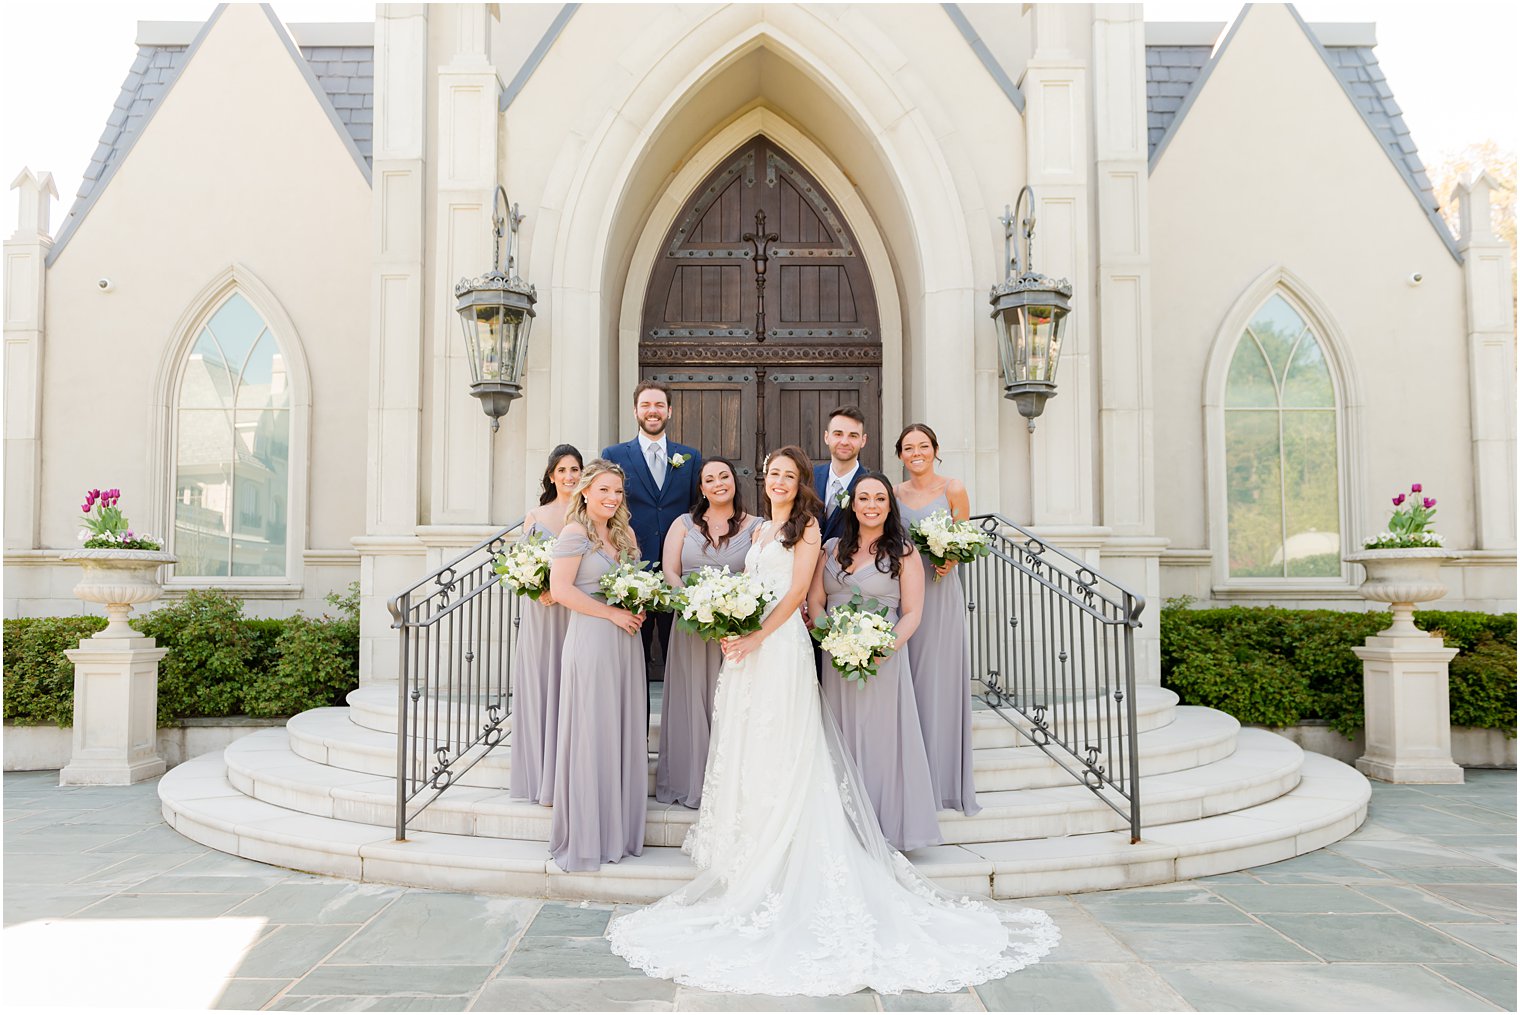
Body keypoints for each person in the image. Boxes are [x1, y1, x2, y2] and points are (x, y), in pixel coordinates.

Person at [606, 446, 1057, 996]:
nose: (778, 482)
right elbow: (755, 585)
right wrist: (732, 618)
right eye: (771, 473)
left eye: (788, 476)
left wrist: (752, 635)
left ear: (800, 485)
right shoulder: (759, 531)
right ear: (763, 478)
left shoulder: (807, 530)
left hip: (778, 646)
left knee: (786, 738)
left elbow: (798, 593)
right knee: (751, 740)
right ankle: (752, 837)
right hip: (747, 649)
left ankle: (788, 844)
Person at [810, 471, 943, 852]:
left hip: (881, 659)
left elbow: (913, 612)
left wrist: (883, 648)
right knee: (838, 737)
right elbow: (816, 601)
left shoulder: (903, 551)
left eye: (880, 499)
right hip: (835, 657)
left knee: (880, 739)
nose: (871, 505)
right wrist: (830, 636)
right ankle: (843, 827)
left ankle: (883, 827)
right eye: (864, 498)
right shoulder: (832, 547)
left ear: (889, 506)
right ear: (852, 504)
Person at [547, 460, 648, 872]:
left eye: (618, 492)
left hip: (626, 641)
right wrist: (610, 614)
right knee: (592, 731)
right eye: (604, 490)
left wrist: (638, 603)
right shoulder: (574, 534)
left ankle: (617, 830)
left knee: (620, 729)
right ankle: (589, 833)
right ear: (585, 492)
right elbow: (560, 590)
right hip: (591, 639)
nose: (611, 498)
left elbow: (639, 580)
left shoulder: (625, 536)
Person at [655, 457, 760, 808]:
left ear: (735, 481)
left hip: (734, 631)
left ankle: (730, 787)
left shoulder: (757, 526)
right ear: (701, 488)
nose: (718, 483)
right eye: (709, 479)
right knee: (692, 701)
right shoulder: (683, 524)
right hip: (691, 628)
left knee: (731, 704)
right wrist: (694, 604)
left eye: (724, 476)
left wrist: (728, 611)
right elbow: (670, 570)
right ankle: (690, 779)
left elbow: (758, 575)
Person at [895, 423, 980, 816]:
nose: (917, 453)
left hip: (942, 594)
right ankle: (913, 773)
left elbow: (965, 541)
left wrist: (951, 556)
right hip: (907, 595)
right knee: (910, 681)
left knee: (940, 683)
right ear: (900, 455)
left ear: (935, 450)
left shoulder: (953, 489)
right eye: (909, 447)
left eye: (923, 446)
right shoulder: (894, 495)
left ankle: (944, 781)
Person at [601, 381, 703, 684]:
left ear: (669, 411)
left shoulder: (690, 457)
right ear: (635, 411)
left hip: (679, 572)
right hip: (633, 571)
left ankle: (680, 728)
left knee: (683, 657)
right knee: (634, 659)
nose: (652, 411)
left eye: (659, 405)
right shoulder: (615, 453)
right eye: (645, 405)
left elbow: (696, 511)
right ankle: (637, 730)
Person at [509, 444, 582, 806]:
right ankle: (539, 775)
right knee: (542, 684)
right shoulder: (535, 516)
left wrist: (564, 588)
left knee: (569, 685)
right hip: (543, 612)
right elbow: (520, 566)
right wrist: (539, 590)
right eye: (563, 470)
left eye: (575, 469)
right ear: (552, 476)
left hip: (574, 611)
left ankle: (567, 773)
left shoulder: (587, 517)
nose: (569, 476)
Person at [812, 405, 869, 544]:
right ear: (827, 437)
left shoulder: (871, 484)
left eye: (853, 436)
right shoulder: (809, 478)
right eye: (838, 434)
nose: (844, 442)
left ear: (863, 440)